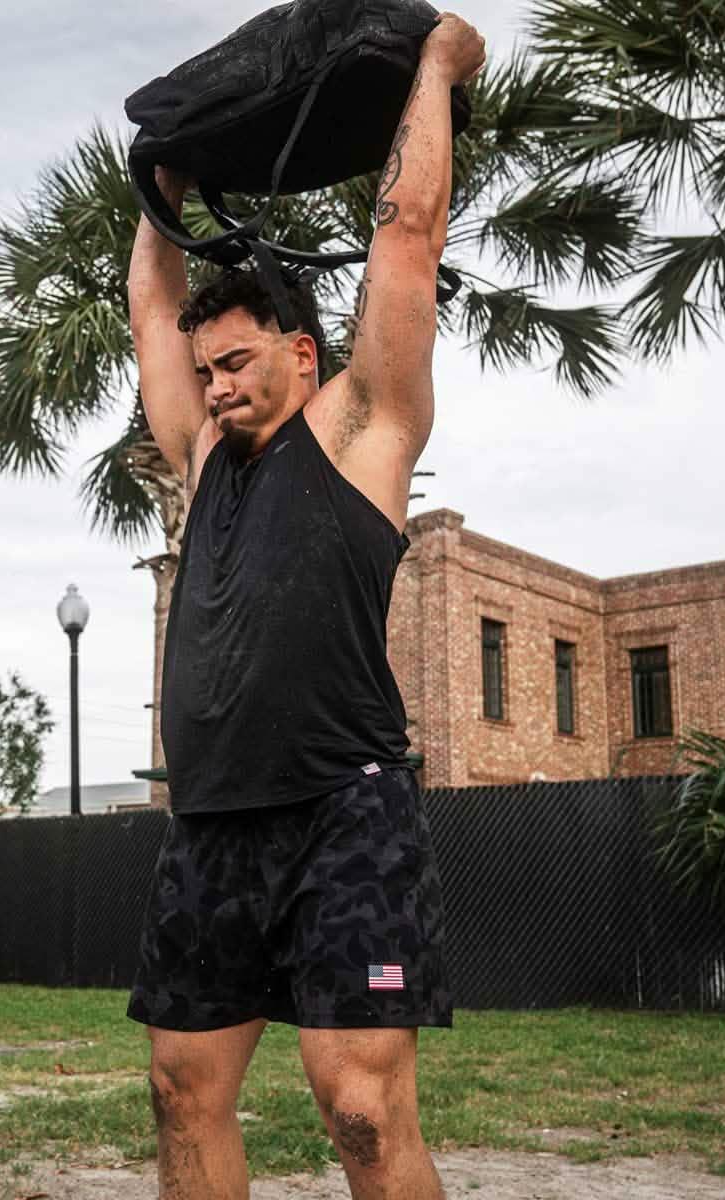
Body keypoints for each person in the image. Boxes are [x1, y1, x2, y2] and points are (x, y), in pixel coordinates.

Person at [125, 14, 486, 1200]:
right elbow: (148, 313)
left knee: (364, 1114)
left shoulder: (361, 436)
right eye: (207, 371)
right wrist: (161, 190)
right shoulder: (201, 459)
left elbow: (409, 236)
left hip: (346, 810)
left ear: (302, 350)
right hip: (213, 818)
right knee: (182, 1089)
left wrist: (431, 68)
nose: (216, 388)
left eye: (237, 365)